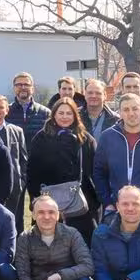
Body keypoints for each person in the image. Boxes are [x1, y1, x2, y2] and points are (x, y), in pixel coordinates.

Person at [28, 98, 98, 245]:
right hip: (49, 203)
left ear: (75, 116)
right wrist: (36, 199)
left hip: (80, 205)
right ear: (54, 114)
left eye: (69, 113)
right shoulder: (41, 138)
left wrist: (94, 202)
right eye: (61, 113)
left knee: (82, 245)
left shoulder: (85, 139)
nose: (65, 117)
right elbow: (32, 172)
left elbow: (93, 171)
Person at [0, 96, 30, 216]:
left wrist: (21, 181)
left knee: (15, 220)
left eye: (1, 107)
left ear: (7, 110)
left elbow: (23, 159)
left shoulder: (17, 131)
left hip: (14, 186)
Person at [9, 72, 52, 138]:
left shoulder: (45, 113)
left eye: (26, 85)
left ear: (33, 89)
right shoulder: (6, 112)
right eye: (19, 85)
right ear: (14, 88)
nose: (23, 87)